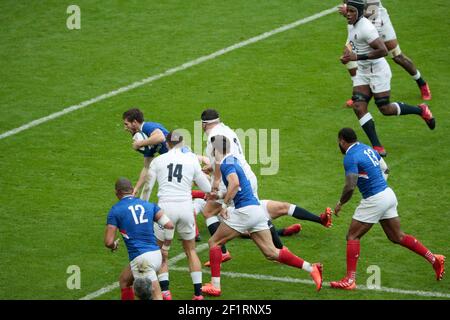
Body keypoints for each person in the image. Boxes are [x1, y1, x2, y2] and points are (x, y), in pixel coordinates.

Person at [201, 136, 323, 296]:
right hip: (256, 211)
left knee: (214, 242)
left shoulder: (225, 164)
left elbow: (235, 183)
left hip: (244, 212)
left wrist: (223, 205)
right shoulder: (234, 160)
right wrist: (215, 197)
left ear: (215, 150)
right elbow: (238, 188)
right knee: (271, 252)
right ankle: (311, 267)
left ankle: (215, 286)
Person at [329, 128, 445, 290]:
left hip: (375, 199)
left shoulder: (350, 156)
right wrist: (378, 186)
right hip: (388, 194)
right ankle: (434, 259)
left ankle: (350, 280)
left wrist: (341, 203)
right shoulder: (367, 148)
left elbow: (350, 185)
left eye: (338, 142)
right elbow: (385, 169)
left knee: (352, 236)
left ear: (342, 140)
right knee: (397, 236)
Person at [340, 0, 435, 157]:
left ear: (357, 11)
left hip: (377, 67)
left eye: (351, 10)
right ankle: (377, 147)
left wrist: (357, 55)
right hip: (363, 69)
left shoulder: (366, 26)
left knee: (385, 108)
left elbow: (382, 50)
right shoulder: (353, 22)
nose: (347, 12)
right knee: (358, 106)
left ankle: (421, 107)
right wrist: (350, 14)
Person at [146, 131, 212, 300]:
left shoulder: (158, 161)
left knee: (159, 251)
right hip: (186, 208)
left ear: (167, 144)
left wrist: (143, 205)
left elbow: (148, 188)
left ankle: (166, 292)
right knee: (191, 251)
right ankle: (198, 294)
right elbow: (206, 188)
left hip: (165, 210)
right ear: (181, 144)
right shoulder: (191, 159)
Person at [339, 0, 432, 104]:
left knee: (397, 56)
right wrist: (349, 12)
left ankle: (421, 83)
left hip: (378, 21)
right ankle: (358, 94)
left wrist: (347, 11)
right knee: (347, 57)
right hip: (358, 23)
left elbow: (373, 10)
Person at [200, 108, 259, 265]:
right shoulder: (227, 130)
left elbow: (221, 160)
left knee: (208, 211)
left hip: (232, 180)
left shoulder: (214, 136)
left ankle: (222, 252)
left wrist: (216, 181)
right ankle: (280, 250)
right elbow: (226, 156)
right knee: (257, 221)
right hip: (246, 175)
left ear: (203, 124)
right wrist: (211, 167)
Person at [104, 178, 174, 300]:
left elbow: (109, 241)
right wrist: (165, 248)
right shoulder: (148, 205)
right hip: (156, 254)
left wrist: (114, 245)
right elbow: (169, 225)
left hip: (142, 260)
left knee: (155, 296)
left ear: (117, 193)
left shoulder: (115, 210)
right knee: (124, 280)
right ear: (132, 190)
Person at [122, 108, 169, 200]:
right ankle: (143, 203)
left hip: (183, 157)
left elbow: (161, 137)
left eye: (126, 124)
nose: (125, 128)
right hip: (175, 161)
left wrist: (139, 143)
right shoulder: (148, 140)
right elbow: (147, 167)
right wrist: (136, 188)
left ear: (134, 122)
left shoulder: (146, 127)